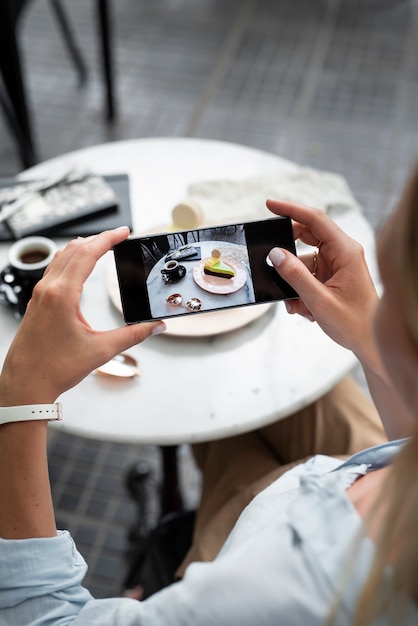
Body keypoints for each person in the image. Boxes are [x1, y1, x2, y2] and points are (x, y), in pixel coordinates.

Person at [0, 164, 417, 625]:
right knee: (240, 406)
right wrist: (372, 342)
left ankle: (161, 581)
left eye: (391, 290)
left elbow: (39, 617)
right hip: (346, 473)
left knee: (220, 420)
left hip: (266, 539)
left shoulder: (292, 589)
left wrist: (20, 392)